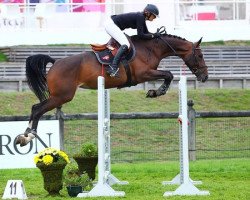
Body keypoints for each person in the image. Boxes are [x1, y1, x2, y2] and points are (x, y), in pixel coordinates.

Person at [104, 4, 160, 77]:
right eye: (154, 15)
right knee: (126, 45)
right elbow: (141, 35)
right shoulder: (140, 17)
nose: (154, 17)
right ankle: (113, 67)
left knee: (125, 43)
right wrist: (154, 35)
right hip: (111, 25)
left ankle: (113, 67)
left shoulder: (141, 17)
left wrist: (155, 35)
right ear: (148, 13)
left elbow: (146, 33)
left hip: (112, 24)